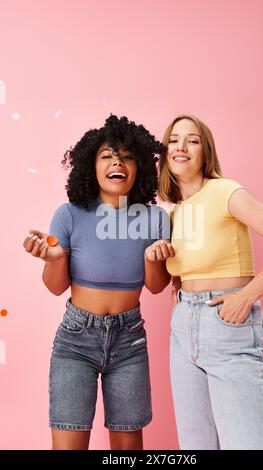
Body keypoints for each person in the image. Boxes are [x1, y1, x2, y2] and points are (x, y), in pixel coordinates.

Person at [23, 114, 173, 450]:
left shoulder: (154, 218)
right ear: (91, 166)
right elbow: (55, 286)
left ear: (140, 168)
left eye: (127, 157)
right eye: (107, 155)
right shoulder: (69, 214)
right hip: (76, 342)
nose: (117, 162)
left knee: (127, 451)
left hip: (129, 342)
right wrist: (55, 259)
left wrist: (153, 258)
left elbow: (156, 286)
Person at [158, 114, 263, 450]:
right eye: (174, 140)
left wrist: (246, 296)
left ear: (205, 152)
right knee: (196, 446)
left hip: (228, 323)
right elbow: (182, 275)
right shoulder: (173, 213)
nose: (181, 146)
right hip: (183, 329)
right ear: (164, 153)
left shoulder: (224, 191)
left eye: (191, 140)